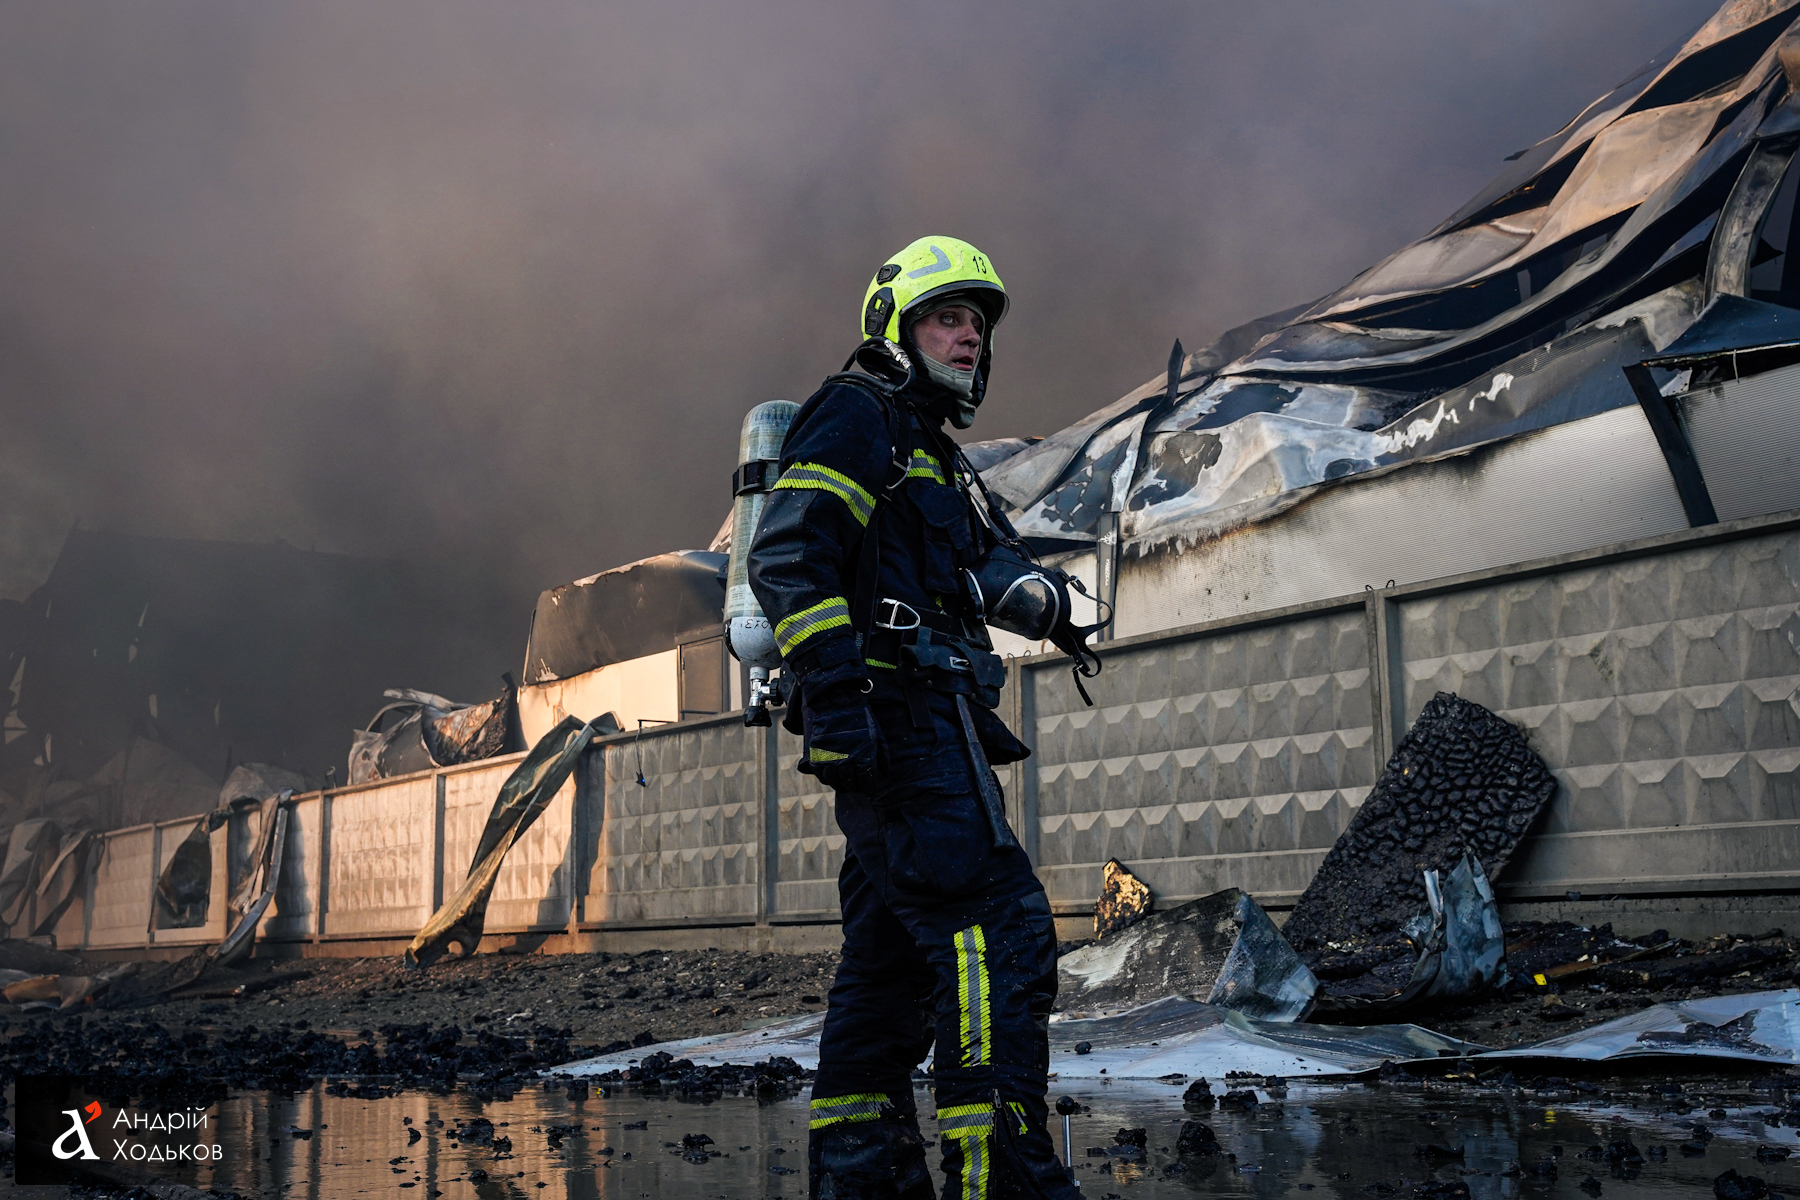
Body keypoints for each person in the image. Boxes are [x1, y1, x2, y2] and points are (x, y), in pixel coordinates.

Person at [748, 237, 1078, 1200]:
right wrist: (843, 709)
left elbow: (990, 561)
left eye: (978, 323)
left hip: (931, 728)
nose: (969, 336)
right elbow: (788, 560)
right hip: (903, 732)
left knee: (888, 970)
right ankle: (1001, 1181)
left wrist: (1048, 599)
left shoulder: (936, 457)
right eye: (947, 317)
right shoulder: (859, 415)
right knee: (997, 938)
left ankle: (863, 1179)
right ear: (895, 328)